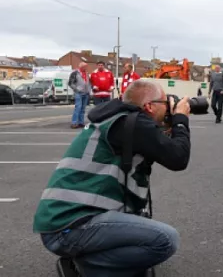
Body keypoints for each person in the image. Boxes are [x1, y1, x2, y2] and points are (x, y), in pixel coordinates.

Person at [33, 80, 192, 276]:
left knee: (142, 234)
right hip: (69, 228)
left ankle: (94, 262)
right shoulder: (132, 123)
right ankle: (85, 266)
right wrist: (180, 119)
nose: (169, 107)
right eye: (165, 103)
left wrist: (166, 126)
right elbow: (178, 158)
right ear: (149, 106)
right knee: (165, 240)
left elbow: (160, 148)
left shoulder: (117, 119)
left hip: (64, 224)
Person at [67, 62, 91, 129]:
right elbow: (70, 83)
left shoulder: (87, 73)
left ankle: (81, 122)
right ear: (80, 67)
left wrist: (89, 90)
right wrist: (77, 89)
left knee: (83, 109)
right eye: (84, 67)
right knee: (78, 107)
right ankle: (74, 123)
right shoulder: (75, 73)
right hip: (79, 93)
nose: (86, 68)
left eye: (86, 66)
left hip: (86, 93)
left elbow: (88, 82)